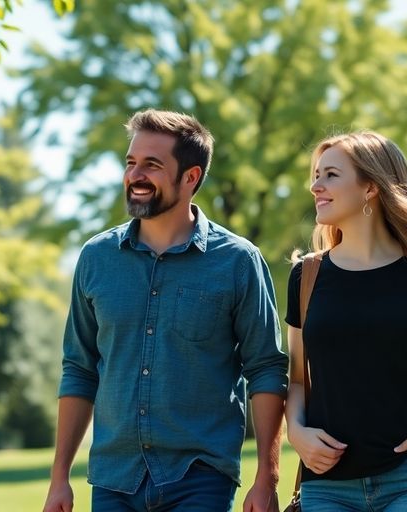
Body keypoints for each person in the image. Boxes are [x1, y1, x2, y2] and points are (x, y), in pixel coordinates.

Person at [43, 109, 289, 512]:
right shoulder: (95, 258)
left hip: (199, 477)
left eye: (152, 165)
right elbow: (80, 369)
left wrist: (267, 477)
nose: (135, 175)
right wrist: (59, 479)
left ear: (190, 178)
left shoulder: (238, 262)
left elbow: (265, 368)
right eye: (131, 163)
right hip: (113, 479)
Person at [284, 131, 407, 511]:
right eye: (315, 175)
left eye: (330, 175)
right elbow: (297, 379)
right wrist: (296, 432)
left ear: (370, 188)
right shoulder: (306, 276)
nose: (315, 186)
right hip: (327, 486)